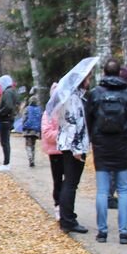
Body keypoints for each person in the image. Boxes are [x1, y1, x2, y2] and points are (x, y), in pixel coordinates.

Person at [85, 59, 127, 244]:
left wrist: (94, 139)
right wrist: (125, 138)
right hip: (121, 145)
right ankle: (123, 232)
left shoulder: (95, 94)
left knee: (102, 190)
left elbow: (89, 120)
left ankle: (102, 232)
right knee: (123, 189)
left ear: (104, 73)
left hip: (101, 146)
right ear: (119, 73)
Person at [56, 75, 90, 234]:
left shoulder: (70, 96)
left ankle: (67, 217)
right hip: (73, 146)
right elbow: (74, 124)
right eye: (88, 78)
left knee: (69, 183)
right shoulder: (73, 99)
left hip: (68, 144)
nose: (89, 81)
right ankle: (68, 219)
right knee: (70, 183)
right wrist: (77, 149)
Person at [41, 83, 64, 219]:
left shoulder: (67, 110)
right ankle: (57, 205)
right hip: (55, 152)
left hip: (67, 151)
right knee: (58, 180)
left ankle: (65, 205)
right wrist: (63, 134)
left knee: (68, 181)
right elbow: (47, 133)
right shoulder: (49, 112)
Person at [0, 79, 21, 171]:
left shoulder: (7, 93)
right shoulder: (13, 91)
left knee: (4, 142)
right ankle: (6, 163)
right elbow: (17, 105)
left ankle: (6, 163)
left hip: (5, 120)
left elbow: (8, 106)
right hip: (8, 120)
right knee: (5, 142)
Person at [20, 95, 42, 168]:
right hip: (35, 130)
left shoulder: (27, 109)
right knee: (33, 144)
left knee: (28, 144)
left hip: (28, 129)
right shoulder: (39, 109)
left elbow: (24, 118)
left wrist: (23, 126)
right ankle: (33, 158)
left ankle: (30, 158)